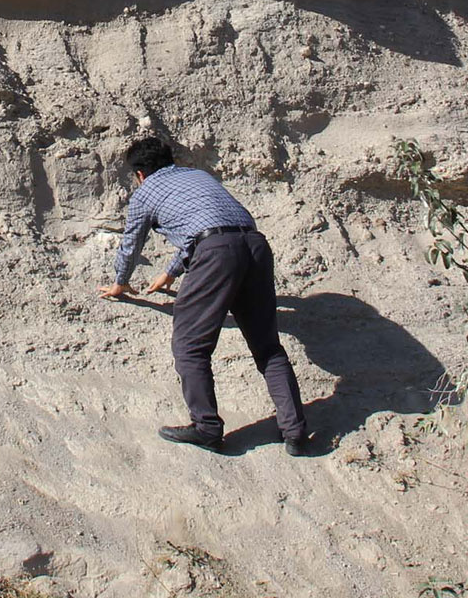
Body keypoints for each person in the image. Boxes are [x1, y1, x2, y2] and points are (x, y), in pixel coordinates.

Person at [98, 137, 310, 455]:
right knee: (268, 348)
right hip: (255, 245)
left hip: (216, 254)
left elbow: (132, 244)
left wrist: (120, 282)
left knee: (189, 346)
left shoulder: (145, 194)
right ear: (169, 160)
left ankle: (207, 428)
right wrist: (171, 273)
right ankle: (295, 432)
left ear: (140, 174)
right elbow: (210, 229)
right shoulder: (198, 177)